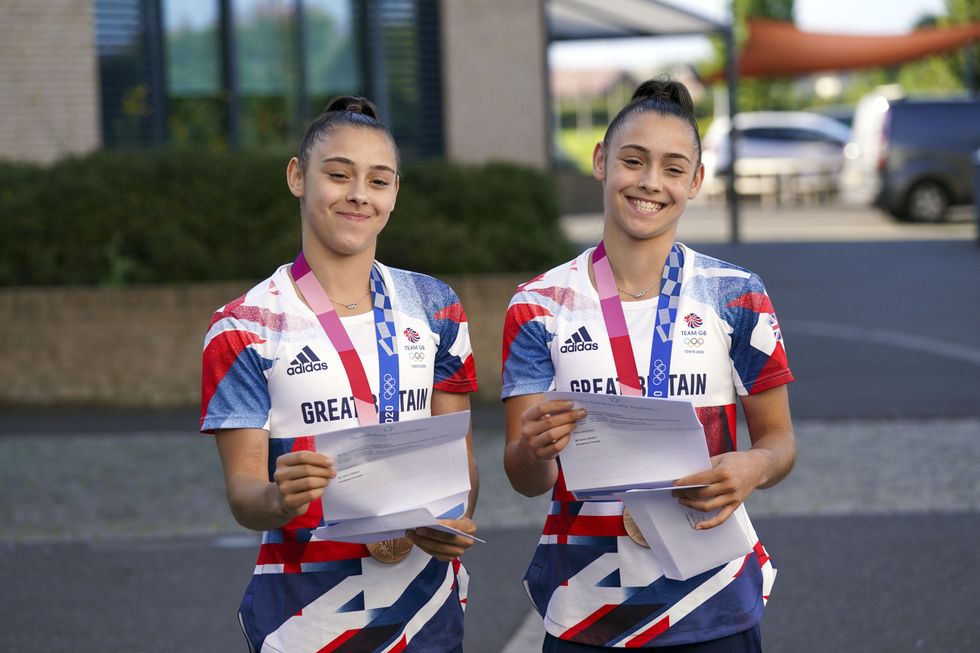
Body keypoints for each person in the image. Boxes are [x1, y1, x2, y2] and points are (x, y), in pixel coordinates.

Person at [501, 78, 796, 652]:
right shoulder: (538, 304)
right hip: (586, 603)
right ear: (600, 162)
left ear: (696, 181)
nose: (650, 183)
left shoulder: (736, 295)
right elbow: (525, 479)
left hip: (713, 599)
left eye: (672, 167)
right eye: (633, 161)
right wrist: (533, 449)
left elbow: (780, 438)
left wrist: (754, 467)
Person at [201, 96, 479, 652]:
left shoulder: (435, 307)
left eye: (379, 180)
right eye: (338, 174)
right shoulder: (243, 326)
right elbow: (243, 491)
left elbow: (460, 469)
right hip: (303, 620)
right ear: (297, 177)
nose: (358, 193)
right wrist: (279, 499)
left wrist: (454, 521)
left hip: (426, 614)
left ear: (395, 194)